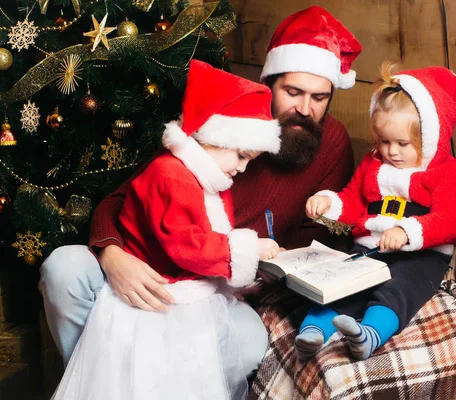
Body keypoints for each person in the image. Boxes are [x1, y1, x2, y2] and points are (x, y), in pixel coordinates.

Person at [40, 5, 362, 374]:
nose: (304, 108)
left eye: (319, 98)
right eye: (292, 91)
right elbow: (120, 200)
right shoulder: (228, 121)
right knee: (63, 268)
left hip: (219, 288)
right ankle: (95, 382)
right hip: (150, 270)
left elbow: (322, 240)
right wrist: (114, 258)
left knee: (248, 345)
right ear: (270, 82)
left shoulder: (330, 141)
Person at [52, 60, 281, 399]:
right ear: (212, 137)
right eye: (242, 155)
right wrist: (245, 251)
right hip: (158, 283)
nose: (244, 168)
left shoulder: (208, 177)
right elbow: (186, 244)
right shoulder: (171, 174)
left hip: (188, 286)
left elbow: (208, 235)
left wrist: (240, 272)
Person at [296, 62, 456, 360]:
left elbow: (451, 219)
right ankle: (313, 330)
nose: (391, 151)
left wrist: (406, 232)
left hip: (421, 254)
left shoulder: (445, 172)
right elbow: (353, 199)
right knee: (342, 283)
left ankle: (371, 334)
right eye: (384, 141)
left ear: (429, 138)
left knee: (398, 288)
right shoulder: (373, 164)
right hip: (371, 247)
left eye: (403, 143)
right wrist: (329, 204)